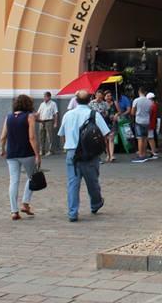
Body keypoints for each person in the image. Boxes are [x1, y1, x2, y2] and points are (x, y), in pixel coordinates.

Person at [58, 89, 110, 222]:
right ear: (89, 100)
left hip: (71, 151)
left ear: (76, 100)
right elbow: (105, 133)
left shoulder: (68, 115)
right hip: (90, 153)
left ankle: (72, 213)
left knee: (73, 184)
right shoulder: (94, 114)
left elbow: (62, 133)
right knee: (92, 181)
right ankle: (95, 204)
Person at [0, 94, 41, 220]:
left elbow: (3, 136)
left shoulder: (9, 117)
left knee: (14, 181)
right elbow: (32, 137)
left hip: (11, 153)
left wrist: (2, 149)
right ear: (28, 104)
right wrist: (38, 154)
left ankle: (14, 211)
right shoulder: (30, 116)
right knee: (32, 177)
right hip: (27, 153)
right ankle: (25, 203)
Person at [130, 89, 154, 162]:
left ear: (139, 92)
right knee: (145, 138)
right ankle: (144, 154)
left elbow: (132, 112)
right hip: (146, 120)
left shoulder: (136, 100)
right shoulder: (149, 102)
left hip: (139, 120)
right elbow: (150, 112)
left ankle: (141, 155)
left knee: (140, 138)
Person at [36, 91, 59, 156]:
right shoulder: (42, 104)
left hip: (49, 121)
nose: (44, 98)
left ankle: (51, 150)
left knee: (50, 136)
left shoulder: (53, 104)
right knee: (41, 136)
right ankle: (42, 151)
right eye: (44, 96)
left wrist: (55, 123)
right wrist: (35, 117)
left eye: (45, 96)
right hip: (41, 121)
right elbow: (38, 113)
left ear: (49, 97)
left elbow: (56, 113)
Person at [147, 91, 160, 156]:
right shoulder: (155, 105)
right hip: (152, 123)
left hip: (150, 124)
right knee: (151, 138)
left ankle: (153, 151)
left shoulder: (152, 106)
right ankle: (153, 150)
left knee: (150, 138)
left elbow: (149, 114)